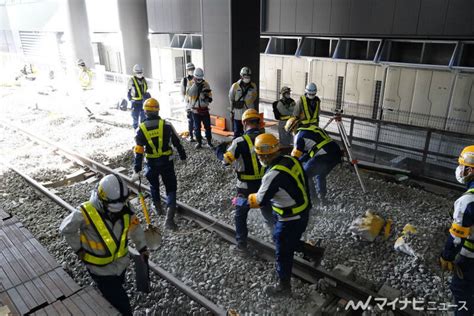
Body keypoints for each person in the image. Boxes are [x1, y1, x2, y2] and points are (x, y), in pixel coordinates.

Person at [245, 133, 324, 296]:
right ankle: (314, 252)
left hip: (289, 219)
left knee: (282, 251)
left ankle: (283, 287)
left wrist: (242, 200)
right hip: (303, 212)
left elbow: (258, 201)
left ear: (264, 155)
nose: (258, 158)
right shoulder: (292, 160)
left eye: (259, 155)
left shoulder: (272, 175)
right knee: (289, 240)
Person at [60, 174, 148, 316]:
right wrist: (79, 249)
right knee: (123, 306)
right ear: (102, 200)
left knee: (117, 290)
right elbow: (66, 229)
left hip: (120, 264)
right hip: (99, 270)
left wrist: (142, 247)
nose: (118, 211)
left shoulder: (125, 207)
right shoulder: (85, 213)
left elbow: (135, 228)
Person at [216, 109, 275, 254]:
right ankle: (277, 237)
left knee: (240, 215)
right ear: (258, 123)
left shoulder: (239, 142)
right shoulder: (267, 138)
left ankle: (241, 245)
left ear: (244, 123)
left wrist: (219, 152)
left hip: (244, 187)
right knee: (268, 211)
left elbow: (226, 161)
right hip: (264, 184)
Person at [131, 98, 187, 230]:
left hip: (151, 164)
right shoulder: (166, 125)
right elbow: (177, 142)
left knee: (154, 186)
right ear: (157, 110)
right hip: (167, 163)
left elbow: (138, 150)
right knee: (171, 188)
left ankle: (158, 208)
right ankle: (169, 219)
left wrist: (136, 169)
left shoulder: (141, 129)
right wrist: (183, 156)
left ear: (145, 112)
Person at [440, 145, 474, 316]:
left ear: (470, 170)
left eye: (462, 166)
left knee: (461, 291)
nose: (459, 170)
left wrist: (447, 256)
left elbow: (456, 237)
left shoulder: (468, 201)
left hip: (470, 260)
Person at [285, 117, 342, 205]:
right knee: (320, 174)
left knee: (305, 175)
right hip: (336, 154)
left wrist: (287, 167)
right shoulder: (313, 128)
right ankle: (323, 199)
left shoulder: (299, 136)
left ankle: (314, 199)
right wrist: (301, 160)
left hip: (325, 156)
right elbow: (309, 153)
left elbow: (294, 159)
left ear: (293, 129)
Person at [228, 67, 258, 139]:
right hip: (238, 114)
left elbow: (254, 97)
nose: (247, 78)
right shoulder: (235, 86)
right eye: (245, 76)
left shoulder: (253, 86)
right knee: (237, 133)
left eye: (248, 76)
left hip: (249, 114)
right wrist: (232, 111)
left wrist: (248, 104)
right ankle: (236, 147)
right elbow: (231, 98)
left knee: (249, 132)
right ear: (241, 76)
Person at [188, 67, 213, 149]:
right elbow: (189, 93)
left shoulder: (206, 84)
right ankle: (199, 142)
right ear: (194, 77)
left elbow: (210, 97)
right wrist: (196, 85)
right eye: (197, 78)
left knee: (208, 127)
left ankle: (209, 142)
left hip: (204, 109)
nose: (199, 80)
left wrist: (205, 97)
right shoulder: (191, 83)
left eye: (200, 78)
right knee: (197, 128)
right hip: (195, 110)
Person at [127, 64, 150, 129]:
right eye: (138, 72)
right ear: (135, 72)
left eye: (140, 72)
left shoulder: (144, 80)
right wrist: (130, 99)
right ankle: (135, 130)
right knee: (135, 117)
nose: (140, 74)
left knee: (143, 118)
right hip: (135, 102)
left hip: (143, 102)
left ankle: (143, 131)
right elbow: (128, 91)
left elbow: (146, 89)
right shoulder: (131, 80)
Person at [181, 62, 196, 142]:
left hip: (196, 103)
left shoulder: (197, 78)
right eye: (190, 69)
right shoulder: (184, 80)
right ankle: (191, 135)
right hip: (189, 104)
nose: (191, 71)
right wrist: (186, 101)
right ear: (187, 70)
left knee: (197, 120)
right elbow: (182, 92)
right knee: (190, 120)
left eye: (192, 69)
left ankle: (197, 135)